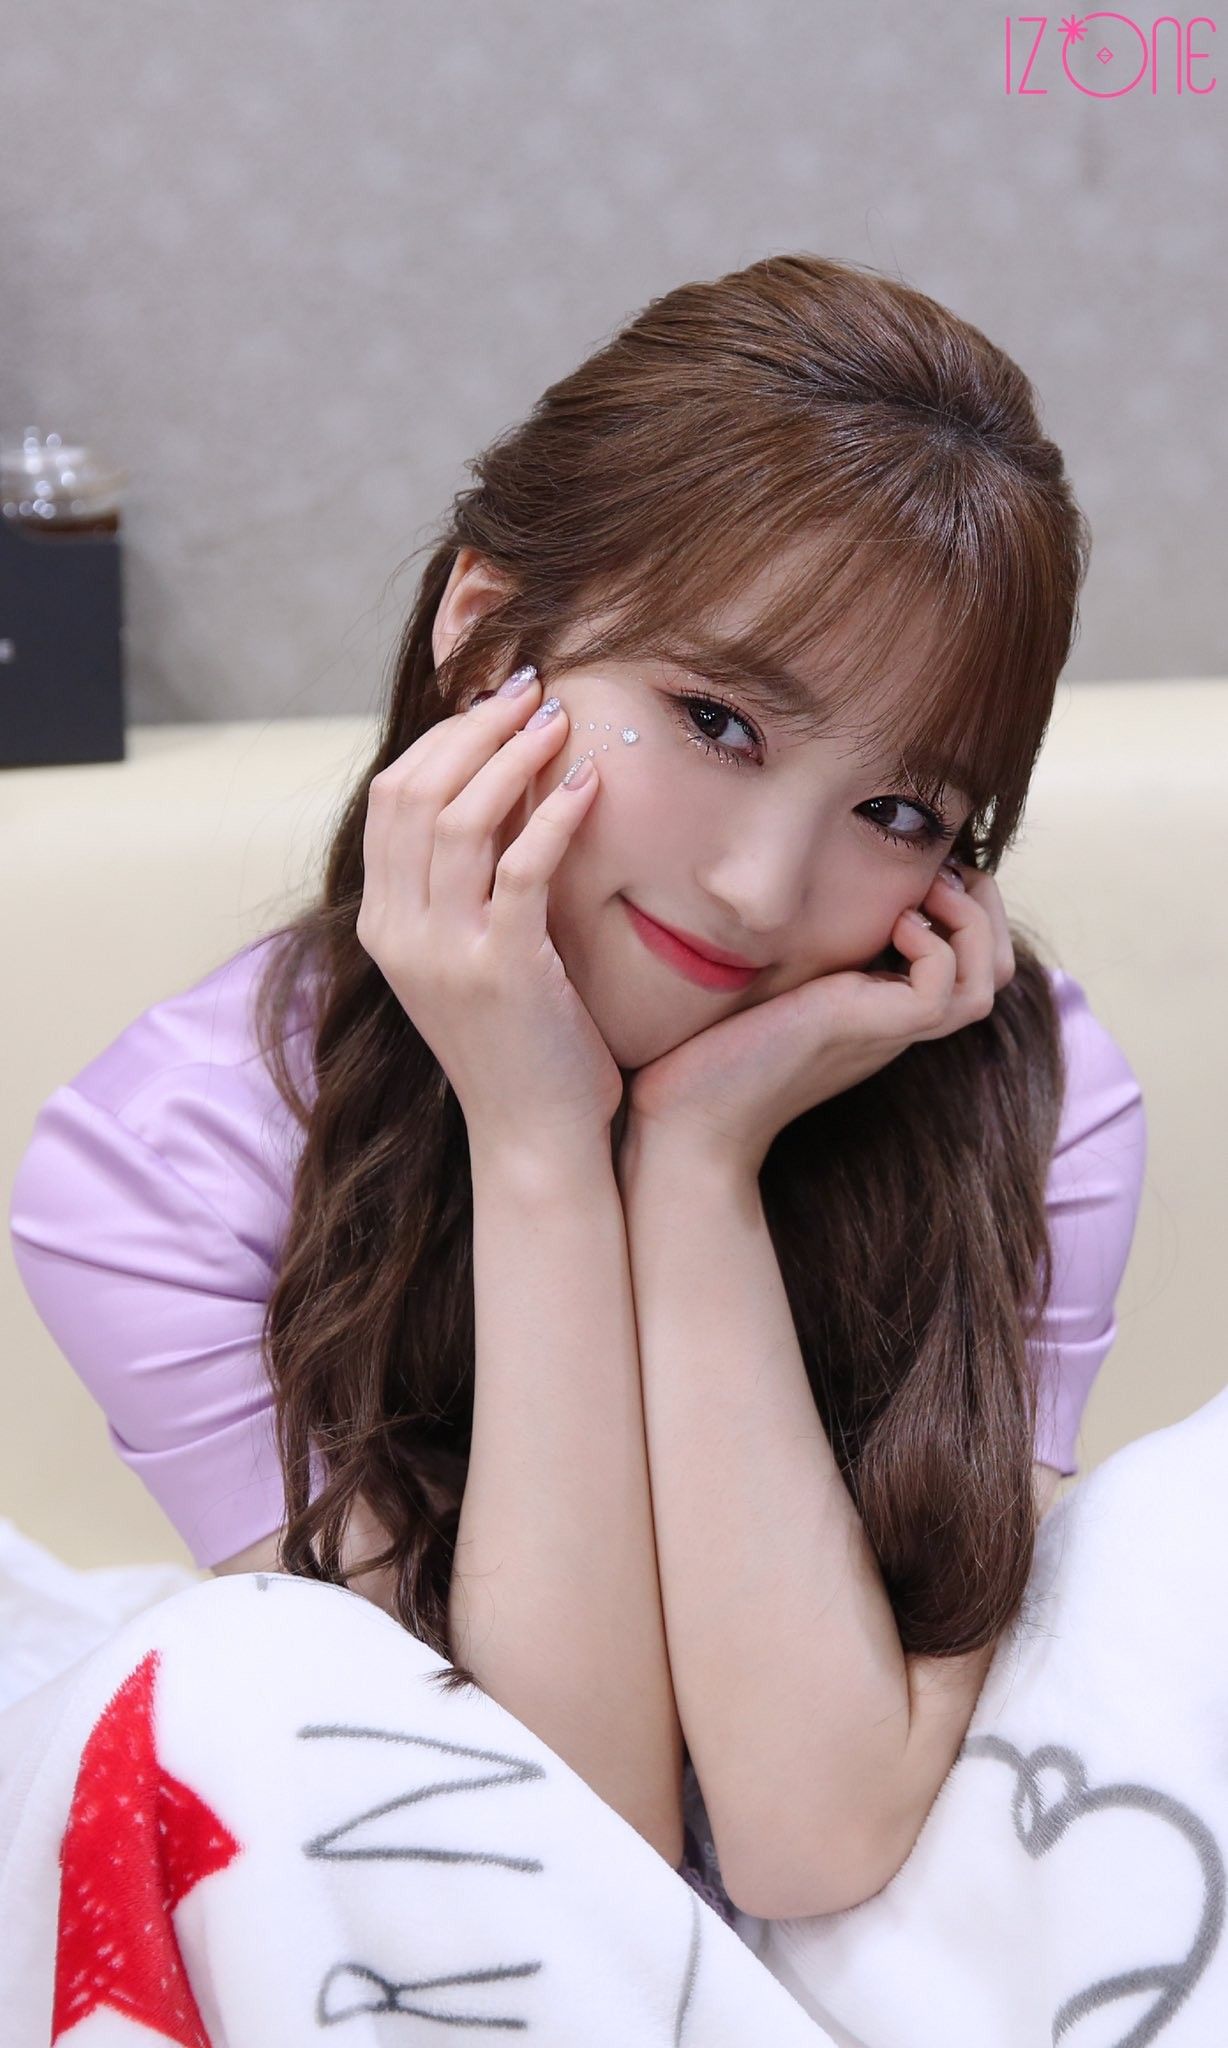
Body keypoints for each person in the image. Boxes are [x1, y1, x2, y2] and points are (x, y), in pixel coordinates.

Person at [8, 252, 1146, 1935]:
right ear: (488, 637)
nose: (762, 890)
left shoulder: (1027, 1099)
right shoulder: (160, 1169)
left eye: (901, 812)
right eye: (716, 720)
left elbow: (815, 1835)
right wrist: (535, 1136)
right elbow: (566, 1852)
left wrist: (697, 1164)